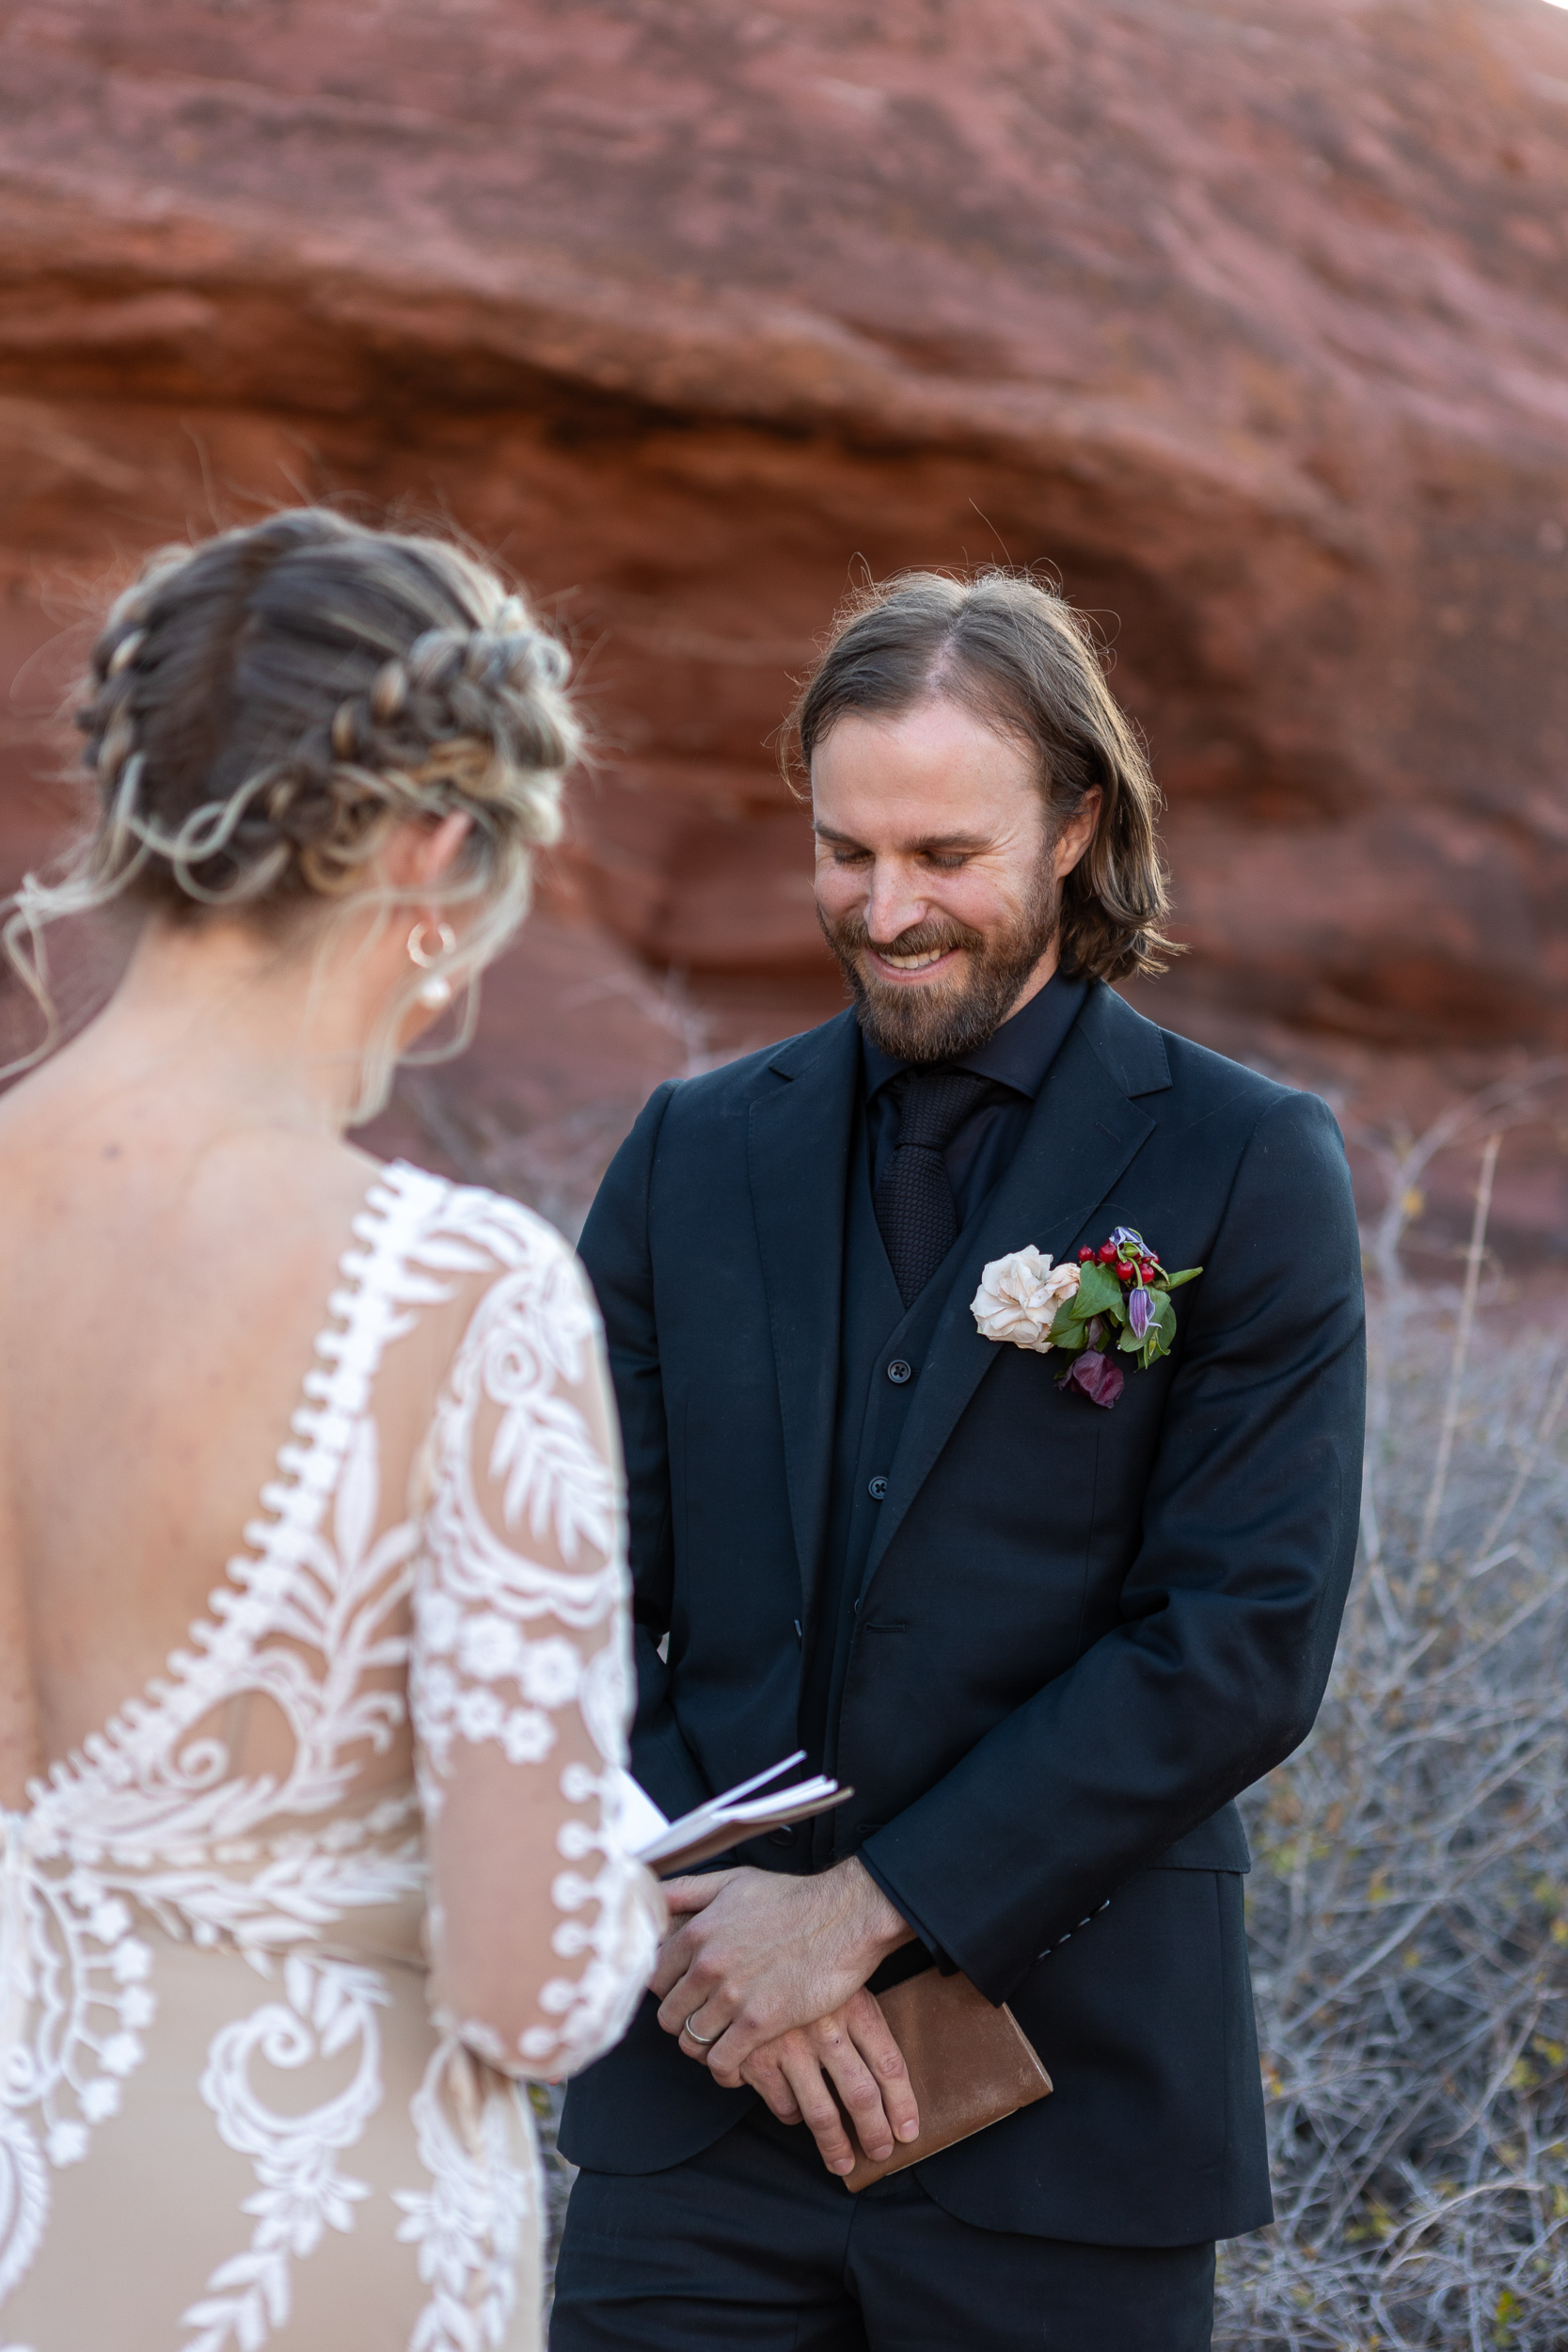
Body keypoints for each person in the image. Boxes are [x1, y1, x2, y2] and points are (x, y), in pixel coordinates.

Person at [551, 571, 1367, 2352]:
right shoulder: (689, 1152)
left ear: (1078, 825)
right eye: (846, 851)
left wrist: (856, 1918)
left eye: (944, 854)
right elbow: (559, 1584)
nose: (887, 908)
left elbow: (1241, 1637)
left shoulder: (1247, 1166)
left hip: (1071, 2118)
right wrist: (725, 1954)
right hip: (695, 2115)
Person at [0, 510, 663, 2351]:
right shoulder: (462, 1297)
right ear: (434, 846)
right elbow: (529, 1992)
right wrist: (607, 1828)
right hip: (298, 2259)